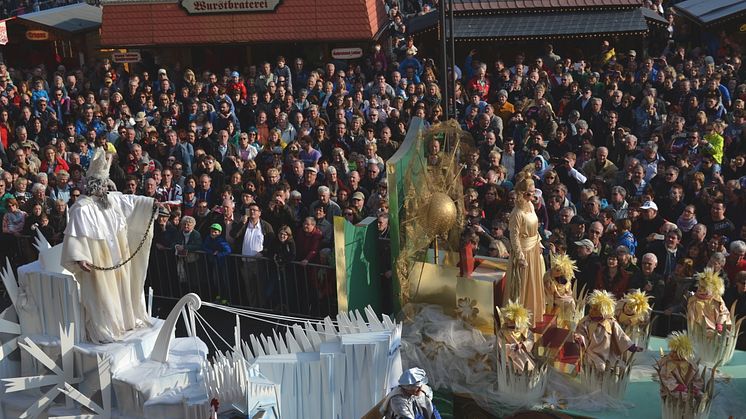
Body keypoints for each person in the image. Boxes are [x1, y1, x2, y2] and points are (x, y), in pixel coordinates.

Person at [60, 148, 159, 343]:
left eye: (106, 186)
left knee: (122, 289)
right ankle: (106, 328)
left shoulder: (112, 200)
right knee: (104, 295)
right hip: (100, 258)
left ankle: (124, 321)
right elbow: (75, 235)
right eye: (103, 186)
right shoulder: (82, 208)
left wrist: (151, 203)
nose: (106, 190)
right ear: (95, 187)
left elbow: (131, 201)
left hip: (118, 256)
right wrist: (80, 257)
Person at [504, 170, 546, 324]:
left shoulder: (530, 206)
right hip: (523, 252)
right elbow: (513, 236)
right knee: (521, 287)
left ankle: (532, 312)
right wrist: (520, 256)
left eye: (533, 193)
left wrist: (539, 241)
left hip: (533, 249)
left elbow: (535, 226)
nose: (532, 196)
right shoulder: (517, 213)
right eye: (529, 194)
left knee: (533, 283)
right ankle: (518, 318)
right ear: (521, 194)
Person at [574, 290, 643, 371]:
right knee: (600, 367)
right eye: (592, 308)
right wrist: (580, 338)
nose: (592, 311)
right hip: (592, 353)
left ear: (603, 311)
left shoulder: (610, 322)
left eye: (596, 309)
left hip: (608, 353)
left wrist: (632, 347)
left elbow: (620, 335)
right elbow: (581, 333)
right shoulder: (586, 322)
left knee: (619, 367)